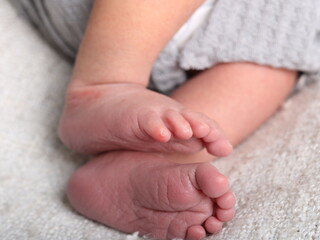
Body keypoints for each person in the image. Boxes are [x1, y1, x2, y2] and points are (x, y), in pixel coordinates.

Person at [11, 0, 320, 239]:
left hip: (268, 25)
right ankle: (103, 83)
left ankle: (138, 160)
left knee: (272, 70)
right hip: (106, 22)